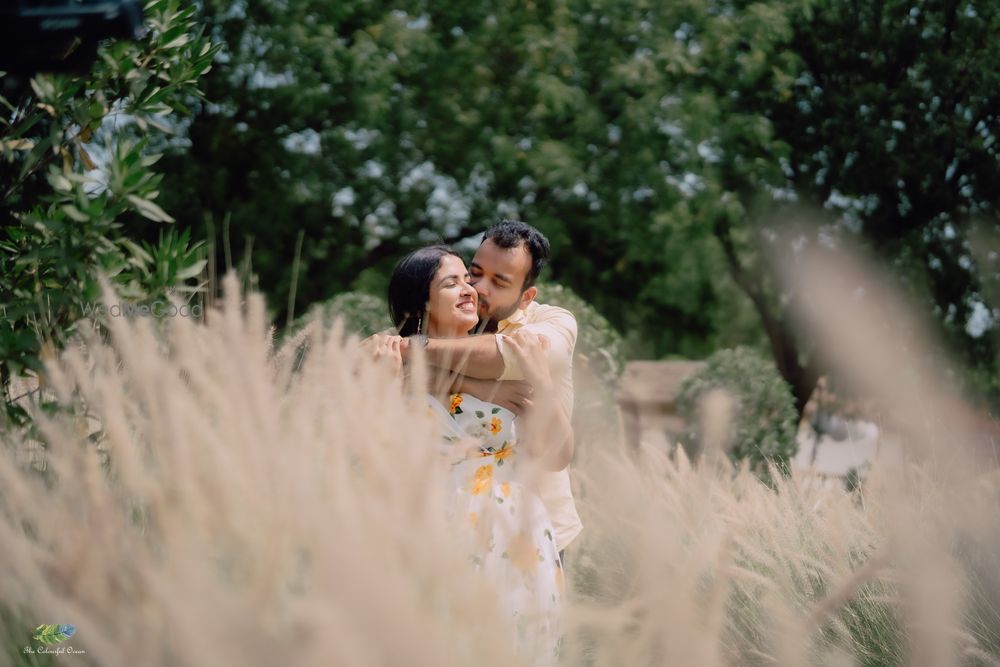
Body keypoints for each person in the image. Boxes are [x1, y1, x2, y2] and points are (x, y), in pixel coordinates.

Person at [371, 244, 569, 665]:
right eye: (452, 282)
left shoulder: (503, 353)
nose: (470, 290)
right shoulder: (388, 355)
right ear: (422, 300)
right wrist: (473, 389)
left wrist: (537, 380)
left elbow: (558, 451)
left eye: (468, 279)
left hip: (510, 528)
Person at [397, 221, 583, 562]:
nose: (479, 289)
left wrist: (414, 349)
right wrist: (472, 385)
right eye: (474, 273)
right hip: (438, 535)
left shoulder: (549, 326)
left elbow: (497, 356)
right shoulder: (454, 326)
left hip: (533, 533)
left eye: (499, 282)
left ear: (526, 295)